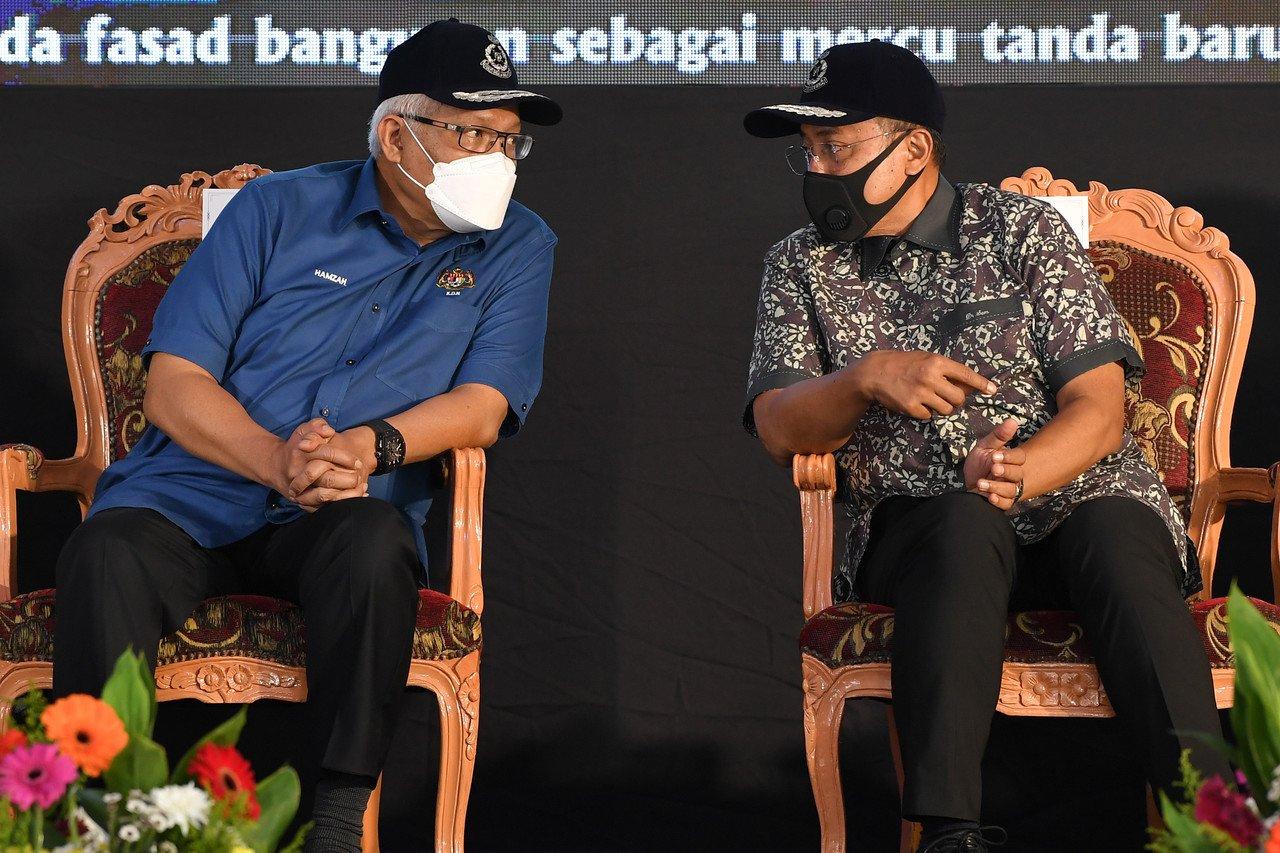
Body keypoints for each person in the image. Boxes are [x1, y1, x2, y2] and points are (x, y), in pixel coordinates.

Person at [51, 18, 560, 851]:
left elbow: (485, 402)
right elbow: (176, 381)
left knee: (373, 544)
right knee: (105, 553)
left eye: (509, 140)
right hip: (195, 494)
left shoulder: (519, 243)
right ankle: (102, 821)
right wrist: (273, 460)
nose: (495, 158)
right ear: (398, 134)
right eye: (471, 131)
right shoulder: (275, 207)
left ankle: (334, 818)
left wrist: (369, 448)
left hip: (345, 503)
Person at [741, 39, 1228, 852]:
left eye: (838, 145)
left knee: (1114, 534)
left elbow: (1100, 407)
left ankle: (1214, 819)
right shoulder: (800, 264)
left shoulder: (1022, 230)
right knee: (963, 526)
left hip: (1077, 492)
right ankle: (950, 831)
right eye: (811, 150)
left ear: (914, 148)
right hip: (922, 528)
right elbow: (777, 426)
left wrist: (1019, 471)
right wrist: (864, 377)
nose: (819, 167)